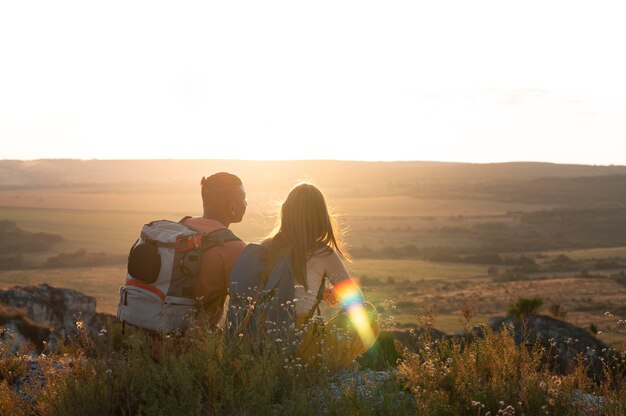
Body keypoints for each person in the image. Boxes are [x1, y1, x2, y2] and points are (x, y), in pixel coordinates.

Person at [242, 183, 379, 370]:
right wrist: (333, 294)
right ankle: (332, 364)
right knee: (367, 313)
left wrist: (318, 292)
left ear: (285, 212)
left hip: (258, 342)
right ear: (321, 218)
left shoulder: (265, 247)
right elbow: (356, 300)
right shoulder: (323, 252)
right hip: (300, 346)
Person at [182, 172, 247, 326]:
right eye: (243, 198)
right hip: (197, 341)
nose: (246, 203)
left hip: (154, 329)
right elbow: (246, 303)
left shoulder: (182, 225)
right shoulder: (234, 247)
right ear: (232, 206)